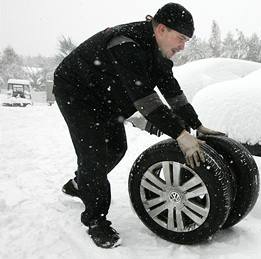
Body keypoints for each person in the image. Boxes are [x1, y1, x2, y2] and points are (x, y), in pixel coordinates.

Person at [54, 3, 224, 248]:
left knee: (116, 148)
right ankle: (95, 219)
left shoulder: (159, 51)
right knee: (93, 154)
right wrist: (180, 135)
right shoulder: (125, 45)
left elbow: (171, 90)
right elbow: (146, 100)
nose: (182, 46)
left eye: (186, 40)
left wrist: (196, 124)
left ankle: (82, 183)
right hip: (77, 91)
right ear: (162, 29)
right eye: (180, 38)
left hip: (106, 93)